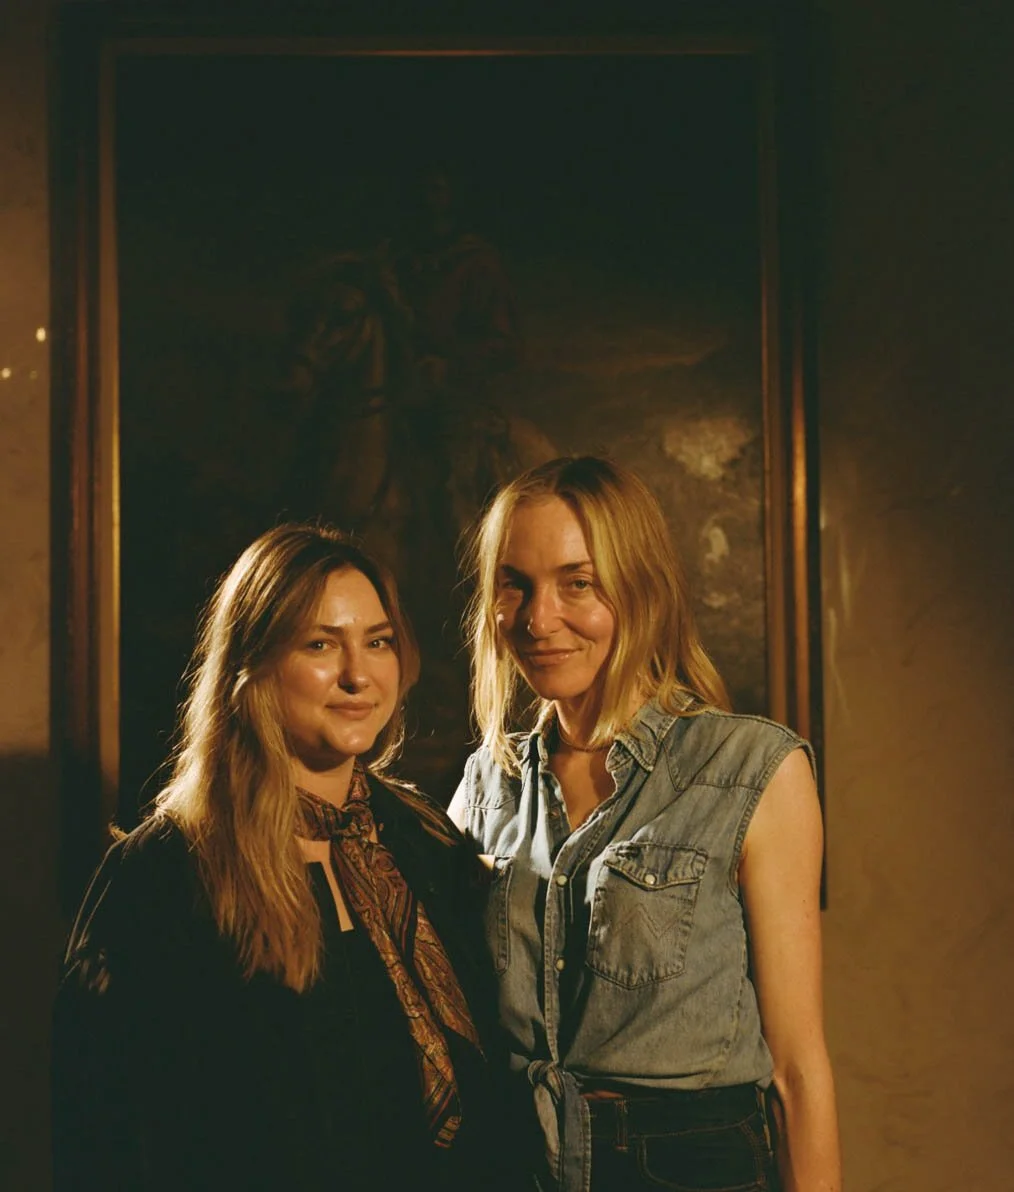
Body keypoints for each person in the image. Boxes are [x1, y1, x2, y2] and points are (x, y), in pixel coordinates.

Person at [52, 524, 511, 1192]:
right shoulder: (169, 870)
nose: (357, 675)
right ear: (255, 663)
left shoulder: (423, 840)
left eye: (377, 641)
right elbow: (104, 1130)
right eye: (320, 644)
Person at [448, 457, 841, 1192]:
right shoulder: (485, 785)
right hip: (515, 1162)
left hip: (688, 1167)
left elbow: (795, 1068)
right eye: (516, 584)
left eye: (578, 583)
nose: (539, 619)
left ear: (641, 588)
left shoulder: (751, 767)